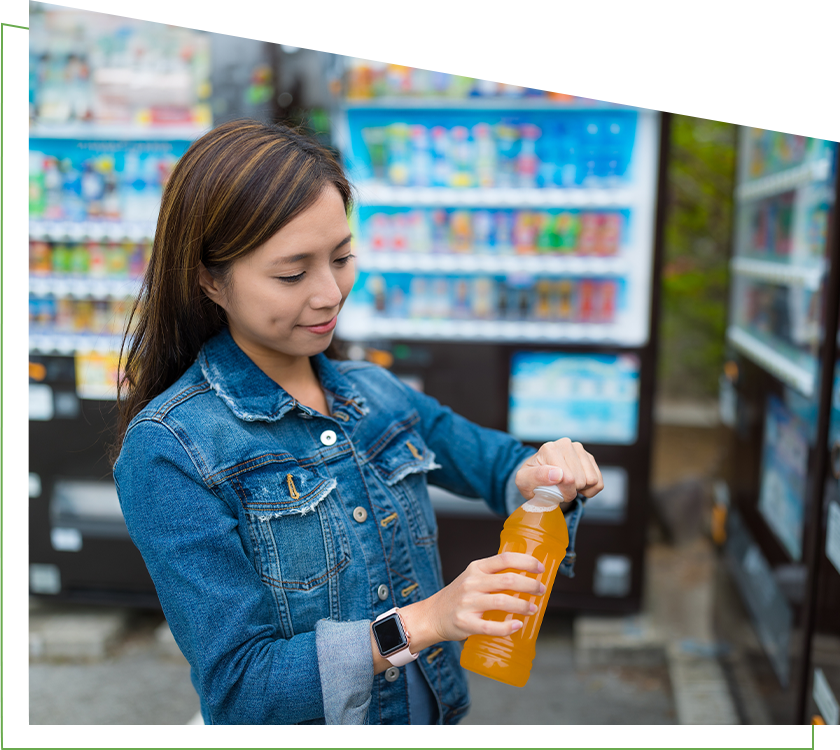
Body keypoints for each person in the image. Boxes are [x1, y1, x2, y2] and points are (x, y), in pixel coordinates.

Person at [112, 119, 604, 725]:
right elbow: (240, 688)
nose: (329, 294)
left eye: (342, 258)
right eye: (293, 273)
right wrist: (425, 621)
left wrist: (547, 471)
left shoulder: (376, 392)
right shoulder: (172, 450)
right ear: (209, 278)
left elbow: (503, 468)